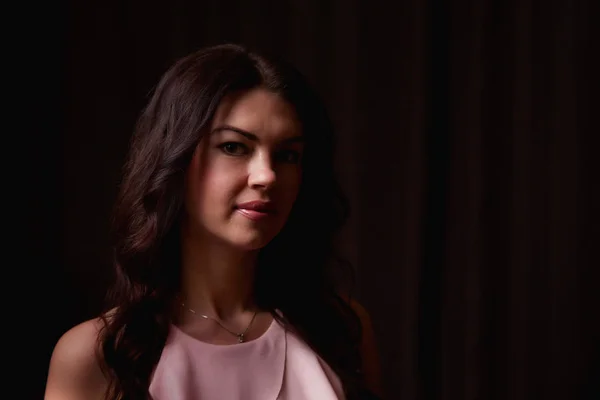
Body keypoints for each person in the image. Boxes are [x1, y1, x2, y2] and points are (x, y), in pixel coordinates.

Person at [45, 43, 382, 400]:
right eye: (234, 147)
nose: (266, 176)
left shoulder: (343, 332)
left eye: (287, 155)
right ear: (175, 160)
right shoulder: (97, 355)